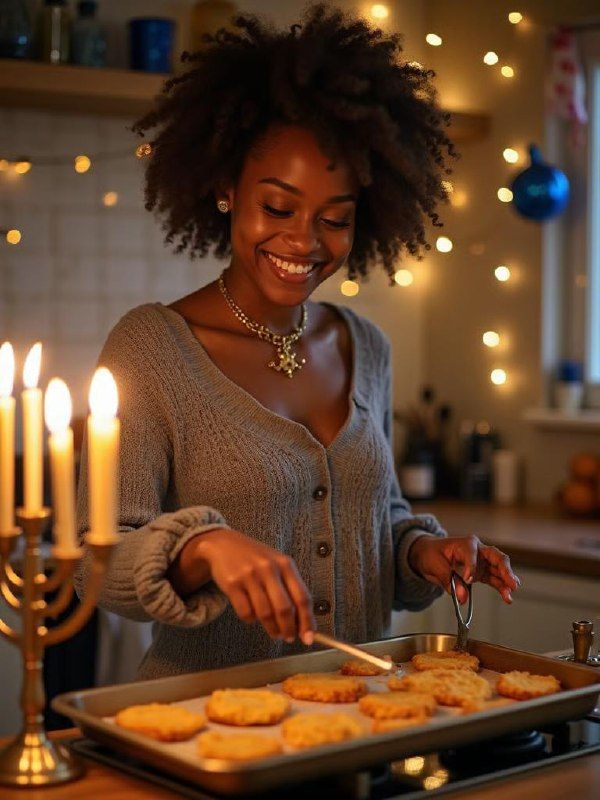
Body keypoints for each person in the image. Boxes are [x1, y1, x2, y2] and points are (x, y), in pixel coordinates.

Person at [75, 4, 519, 680]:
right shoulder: (152, 349)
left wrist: (420, 554)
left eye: (334, 219)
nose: (304, 243)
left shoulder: (365, 345)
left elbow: (379, 518)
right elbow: (96, 564)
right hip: (205, 735)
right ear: (227, 190)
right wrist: (203, 549)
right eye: (278, 208)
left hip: (358, 728)